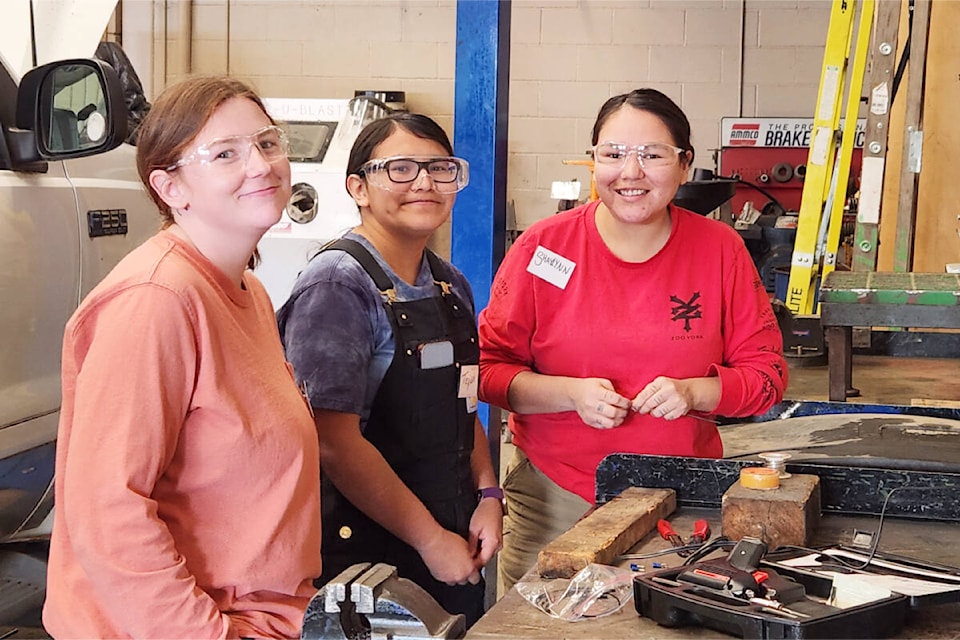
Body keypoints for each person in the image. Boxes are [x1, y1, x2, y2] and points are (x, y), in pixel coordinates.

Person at [43, 76, 322, 638]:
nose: (261, 165)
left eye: (267, 143)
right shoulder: (157, 300)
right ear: (171, 188)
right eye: (225, 154)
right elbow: (108, 511)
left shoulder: (247, 292)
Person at [478, 88, 788, 592]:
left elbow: (768, 377)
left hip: (683, 501)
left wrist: (695, 392)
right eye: (613, 154)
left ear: (684, 164)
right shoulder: (543, 248)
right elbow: (489, 371)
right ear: (593, 159)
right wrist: (569, 394)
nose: (631, 172)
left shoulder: (719, 251)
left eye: (653, 154)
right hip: (557, 495)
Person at [277, 112, 502, 626]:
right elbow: (333, 441)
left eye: (440, 168)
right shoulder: (336, 286)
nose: (424, 182)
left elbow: (463, 403)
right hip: (366, 555)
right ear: (358, 187)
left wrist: (488, 494)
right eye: (400, 168)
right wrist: (429, 540)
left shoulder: (450, 285)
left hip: (452, 539)